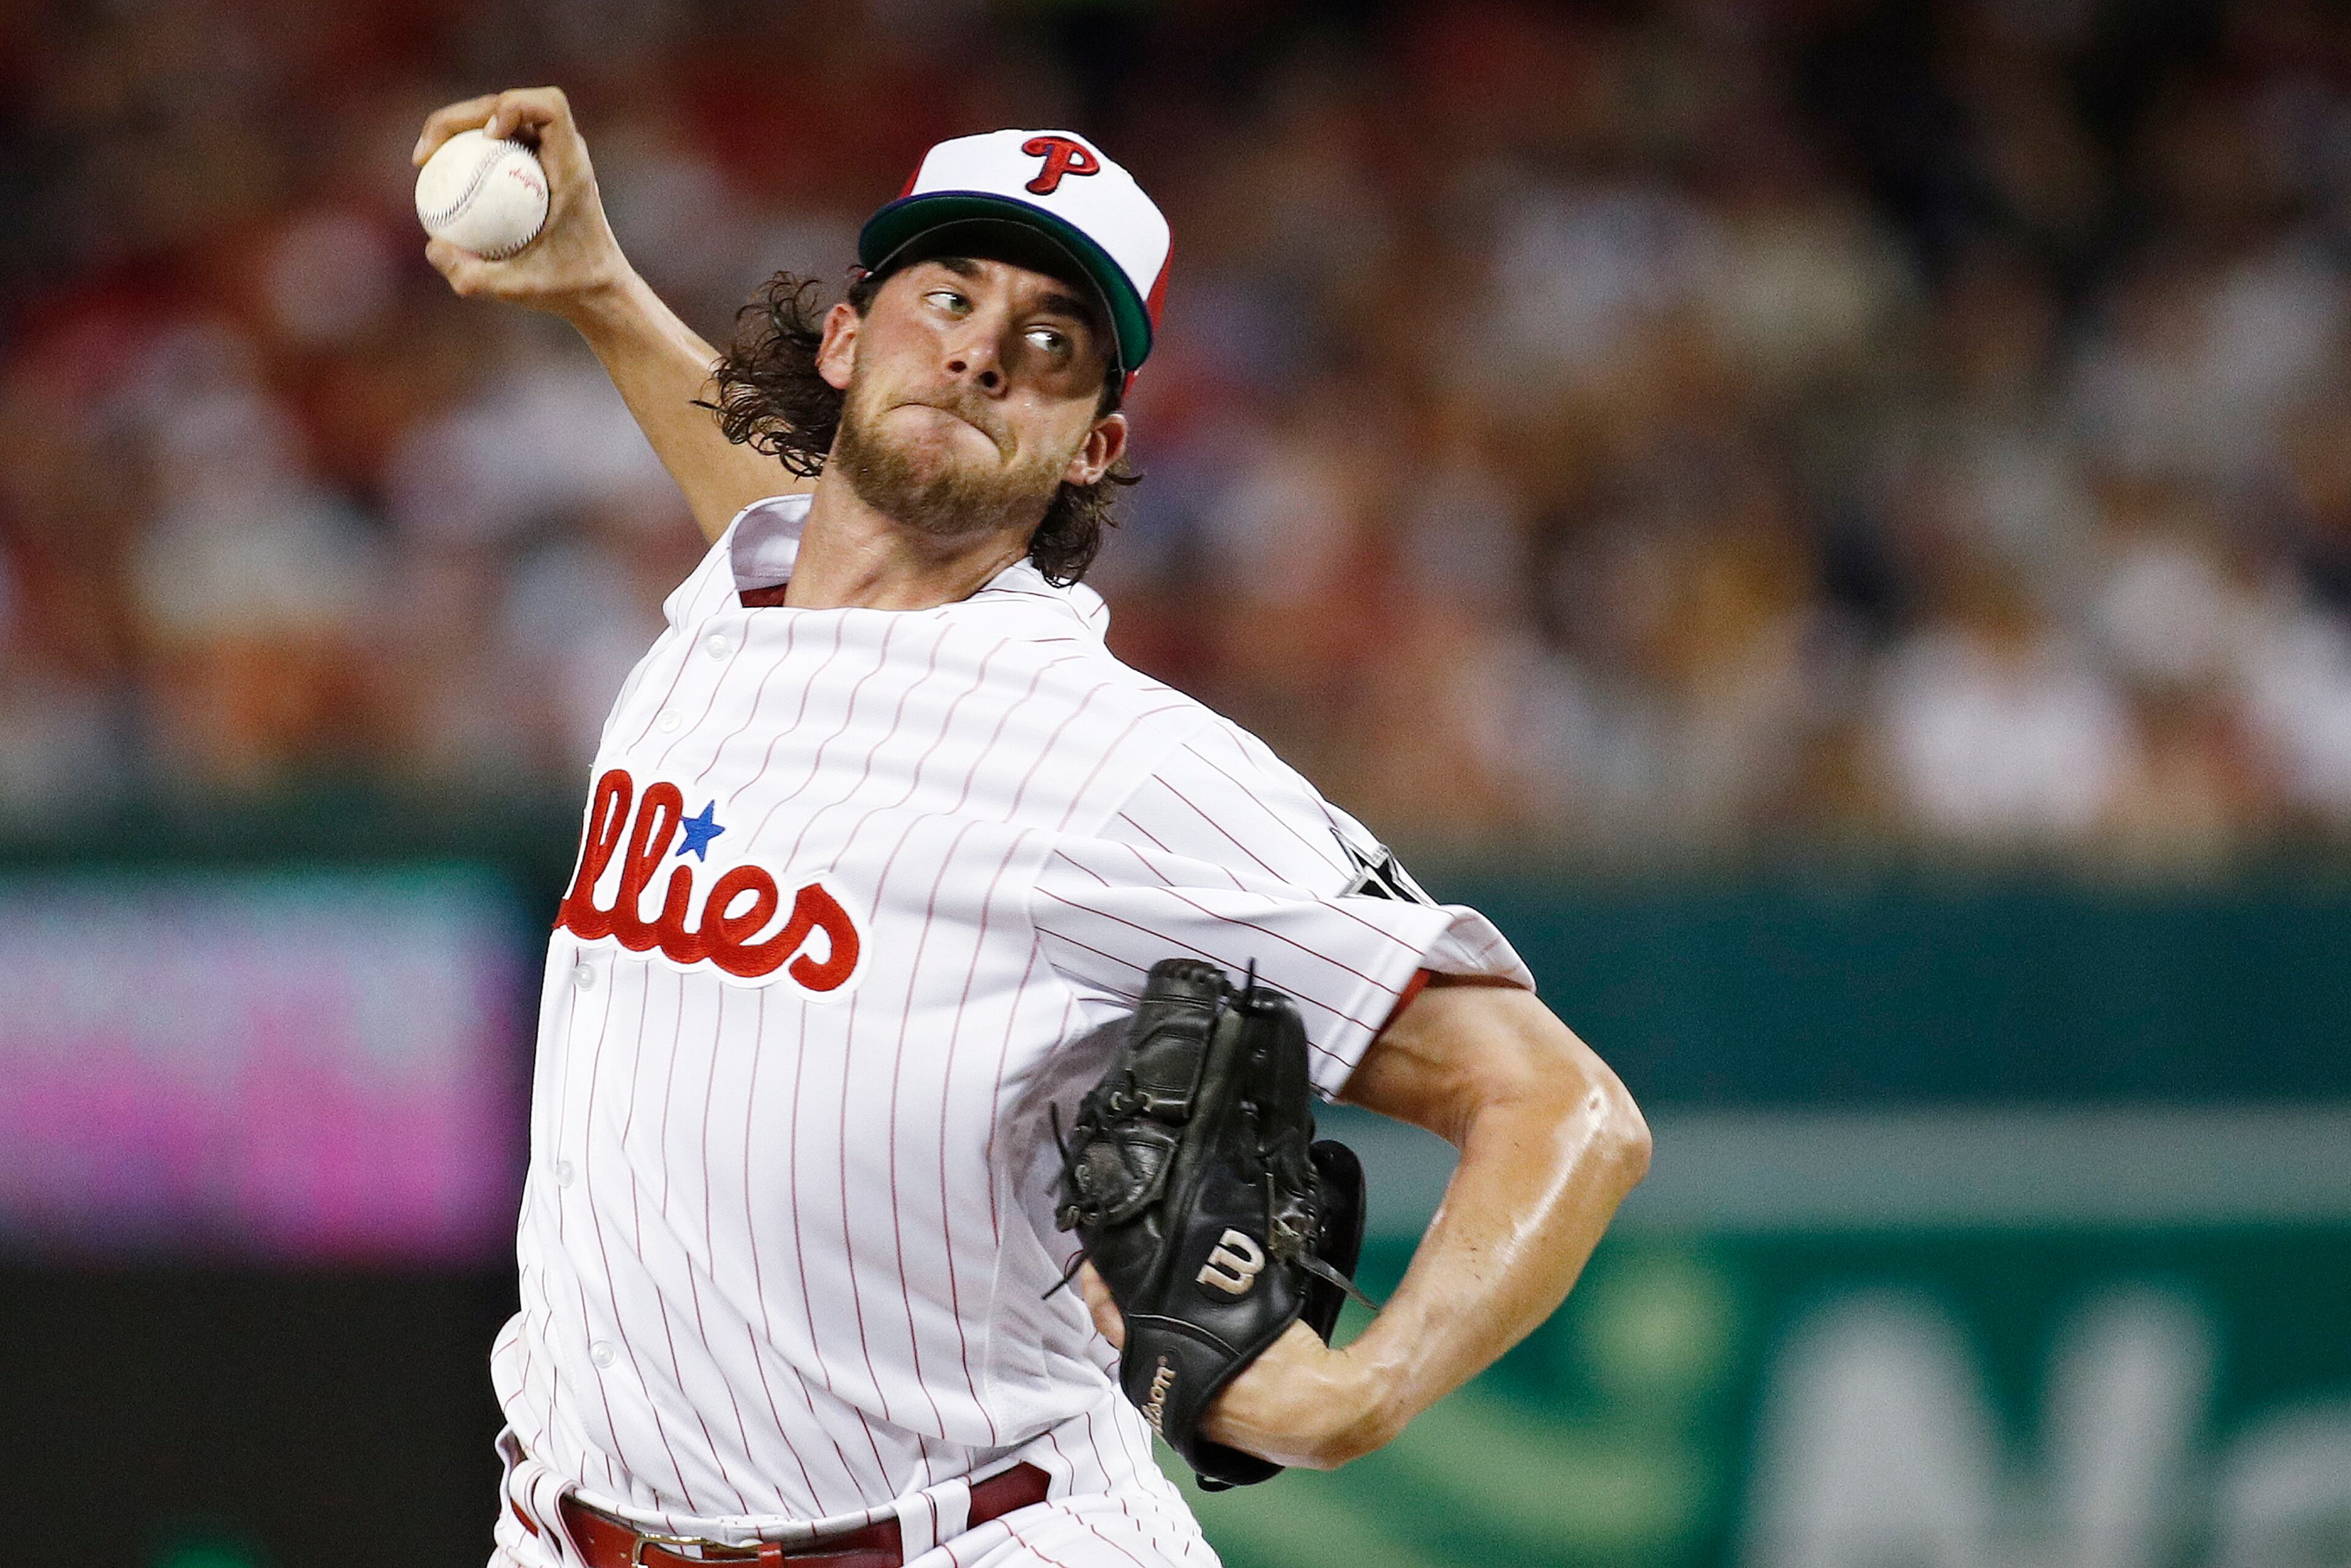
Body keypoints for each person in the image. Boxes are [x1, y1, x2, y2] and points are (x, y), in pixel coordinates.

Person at [414, 87, 1651, 1568]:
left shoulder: (1119, 765)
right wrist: (603, 294)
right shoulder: (735, 609)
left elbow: (1564, 1107)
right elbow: (824, 534)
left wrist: (1363, 1396)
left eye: (1051, 343)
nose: (982, 349)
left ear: (1091, 446)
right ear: (847, 341)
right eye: (949, 295)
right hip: (563, 1533)